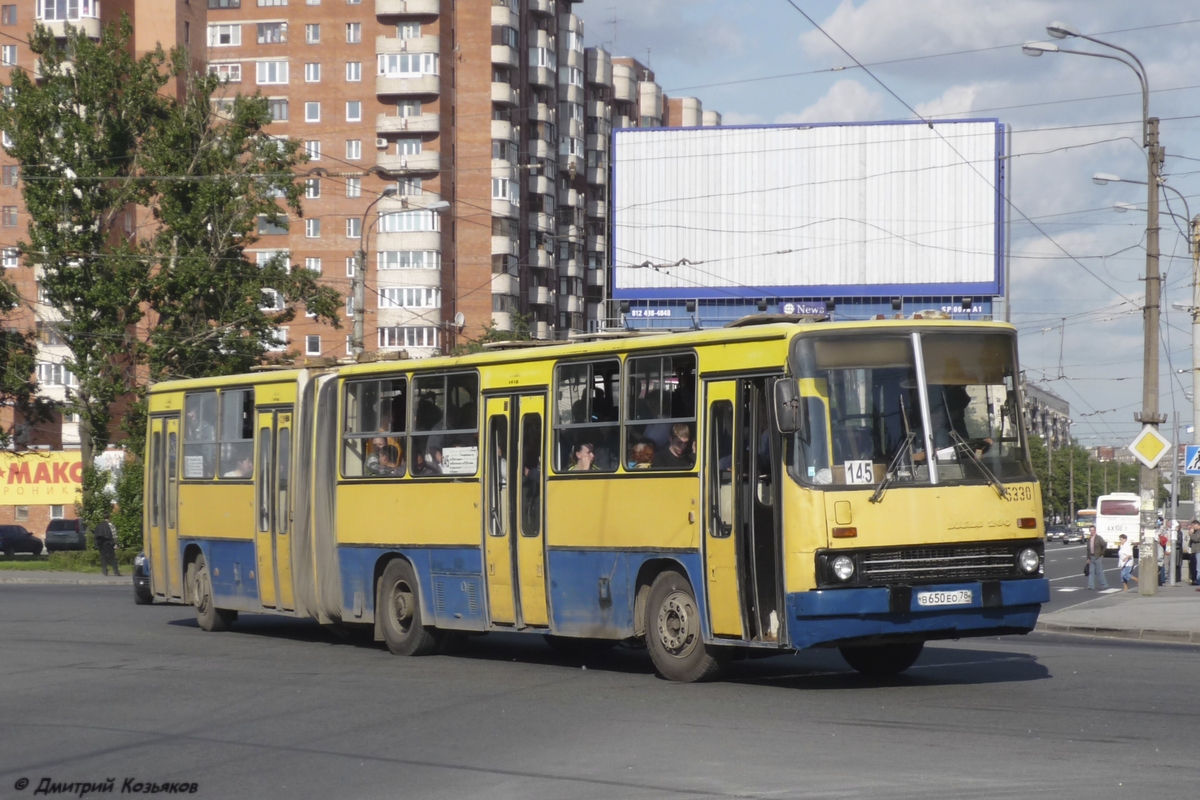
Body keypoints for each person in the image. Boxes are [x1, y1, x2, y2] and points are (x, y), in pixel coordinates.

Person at [93, 513, 120, 577]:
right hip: (109, 543)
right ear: (109, 517)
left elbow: (96, 535)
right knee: (112, 558)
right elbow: (114, 535)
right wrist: (115, 543)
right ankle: (116, 572)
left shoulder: (99, 525)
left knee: (103, 558)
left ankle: (104, 572)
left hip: (101, 544)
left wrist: (97, 544)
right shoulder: (111, 525)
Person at [1085, 525, 1108, 590]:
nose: (1092, 532)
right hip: (1091, 557)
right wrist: (1088, 558)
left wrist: (1102, 553)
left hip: (1098, 557)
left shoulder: (1098, 538)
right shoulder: (1089, 539)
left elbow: (1104, 545)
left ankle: (1105, 585)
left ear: (1095, 530)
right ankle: (1091, 586)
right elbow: (1088, 549)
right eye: (1091, 530)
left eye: (1093, 530)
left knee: (1099, 572)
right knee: (1091, 572)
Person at [1188, 520, 1200, 585]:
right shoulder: (1195, 532)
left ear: (1197, 524)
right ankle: (1195, 579)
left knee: (1198, 567)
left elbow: (1196, 539)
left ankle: (1198, 580)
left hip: (1198, 551)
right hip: (1194, 551)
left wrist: (1191, 535)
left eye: (1193, 525)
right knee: (1194, 566)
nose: (1192, 527)